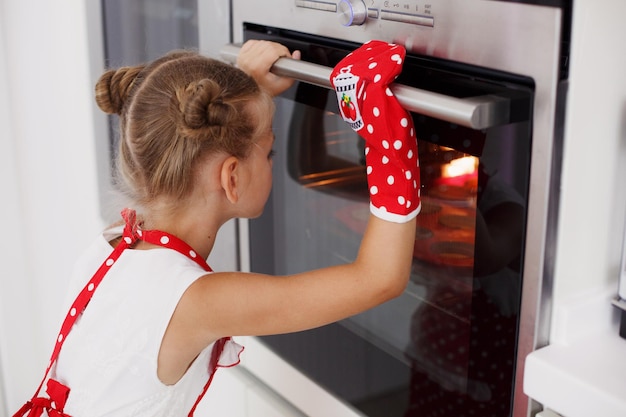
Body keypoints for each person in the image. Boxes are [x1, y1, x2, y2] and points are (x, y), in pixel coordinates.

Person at [15, 40, 419, 417]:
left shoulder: (114, 243)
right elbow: (378, 279)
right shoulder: (198, 302)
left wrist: (248, 94)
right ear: (231, 177)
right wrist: (386, 142)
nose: (270, 160)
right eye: (269, 152)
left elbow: (189, 137)